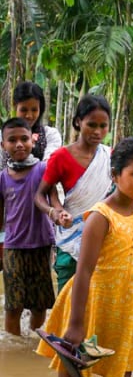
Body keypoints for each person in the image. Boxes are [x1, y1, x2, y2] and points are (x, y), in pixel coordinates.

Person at [35, 137, 133, 377]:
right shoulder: (100, 217)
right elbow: (85, 272)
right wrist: (76, 325)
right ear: (115, 176)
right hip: (92, 308)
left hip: (126, 309)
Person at [35, 95, 113, 292]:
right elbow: (39, 195)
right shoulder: (61, 157)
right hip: (70, 236)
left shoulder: (110, 156)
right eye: (91, 124)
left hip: (103, 237)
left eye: (103, 126)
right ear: (78, 122)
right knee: (66, 299)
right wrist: (54, 213)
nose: (98, 131)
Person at [0, 118, 54, 335]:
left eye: (24, 138)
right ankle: (15, 350)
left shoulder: (43, 170)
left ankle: (34, 344)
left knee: (39, 305)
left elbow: (53, 198)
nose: (19, 144)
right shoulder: (2, 178)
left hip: (41, 245)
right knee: (13, 306)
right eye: (12, 140)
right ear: (3, 145)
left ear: (33, 140)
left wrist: (58, 213)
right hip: (13, 246)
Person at [0, 81, 62, 168]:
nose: (29, 115)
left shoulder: (50, 135)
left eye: (34, 110)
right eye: (24, 110)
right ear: (15, 106)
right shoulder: (2, 136)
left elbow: (49, 166)